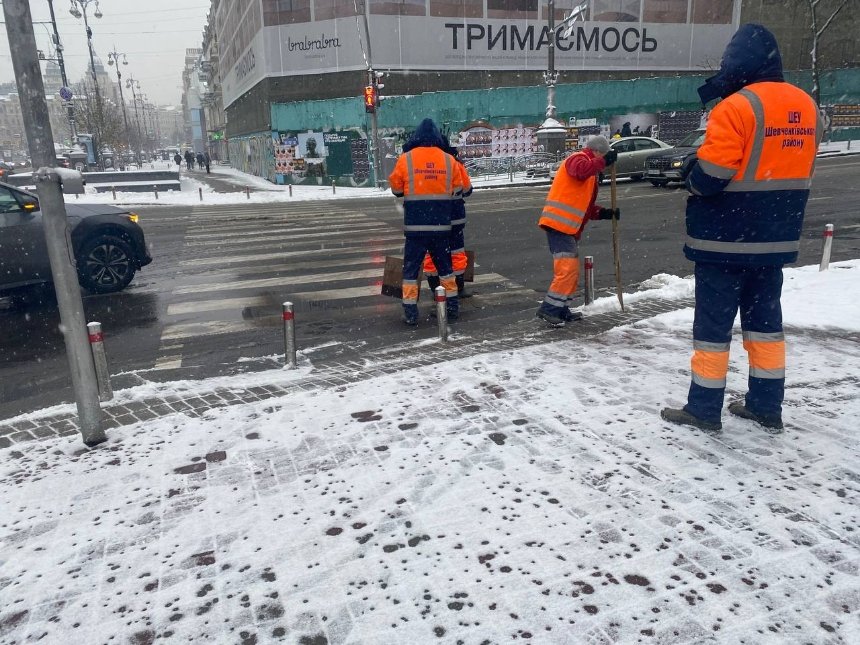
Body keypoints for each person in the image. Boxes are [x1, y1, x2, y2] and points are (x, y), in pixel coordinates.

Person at [661, 24, 822, 434]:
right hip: (775, 240)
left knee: (713, 329)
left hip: (725, 241)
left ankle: (704, 408)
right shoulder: (807, 106)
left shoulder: (736, 107)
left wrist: (691, 174)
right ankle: (766, 405)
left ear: (737, 63)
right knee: (766, 326)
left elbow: (711, 175)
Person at [535, 136, 619, 326]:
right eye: (603, 157)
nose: (603, 165)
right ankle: (549, 310)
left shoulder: (590, 172)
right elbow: (580, 171)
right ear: (597, 151)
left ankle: (561, 308)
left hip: (568, 227)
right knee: (566, 270)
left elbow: (585, 208)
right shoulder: (578, 158)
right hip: (558, 225)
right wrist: (603, 162)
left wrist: (605, 213)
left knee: (571, 272)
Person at [389, 118, 465, 326]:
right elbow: (458, 190)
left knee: (411, 271)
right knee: (446, 269)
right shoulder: (449, 160)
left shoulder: (406, 159)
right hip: (442, 227)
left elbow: (396, 189)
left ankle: (411, 312)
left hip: (415, 229)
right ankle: (452, 307)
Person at [423, 144, 472, 299]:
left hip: (430, 219)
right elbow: (467, 189)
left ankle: (436, 289)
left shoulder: (424, 166)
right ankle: (458, 287)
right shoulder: (455, 163)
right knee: (456, 253)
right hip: (454, 218)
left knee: (432, 254)